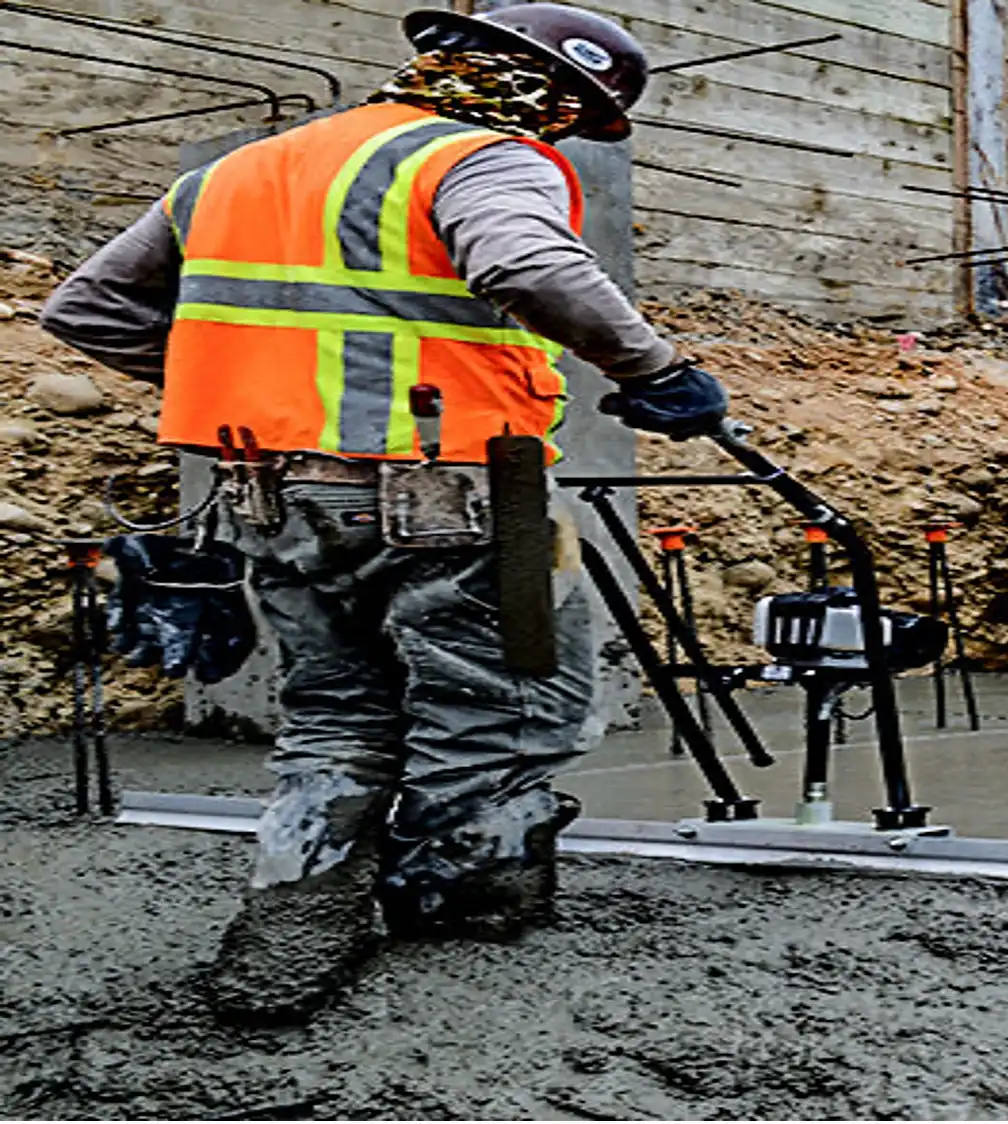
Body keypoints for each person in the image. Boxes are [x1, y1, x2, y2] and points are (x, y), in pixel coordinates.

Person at [41, 3, 728, 1024]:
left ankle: (295, 916)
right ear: (544, 90)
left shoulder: (238, 172)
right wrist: (658, 369)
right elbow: (529, 267)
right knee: (508, 700)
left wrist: (275, 396)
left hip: (273, 489)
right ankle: (457, 909)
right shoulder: (482, 156)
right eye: (571, 114)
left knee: (336, 708)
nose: (561, 135)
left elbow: (90, 308)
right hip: (451, 487)